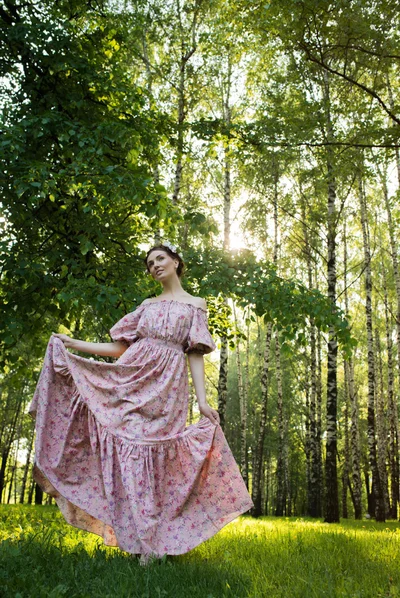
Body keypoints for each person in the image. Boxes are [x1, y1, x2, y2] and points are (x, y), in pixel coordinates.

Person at [29, 241, 253, 564]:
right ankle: (138, 539)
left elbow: (194, 353)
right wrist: (74, 344)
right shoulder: (147, 306)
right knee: (129, 456)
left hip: (167, 390)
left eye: (160, 259)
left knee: (156, 456)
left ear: (176, 261)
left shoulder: (195, 305)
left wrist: (203, 402)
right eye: (150, 263)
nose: (154, 266)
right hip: (131, 380)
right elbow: (119, 348)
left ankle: (153, 541)